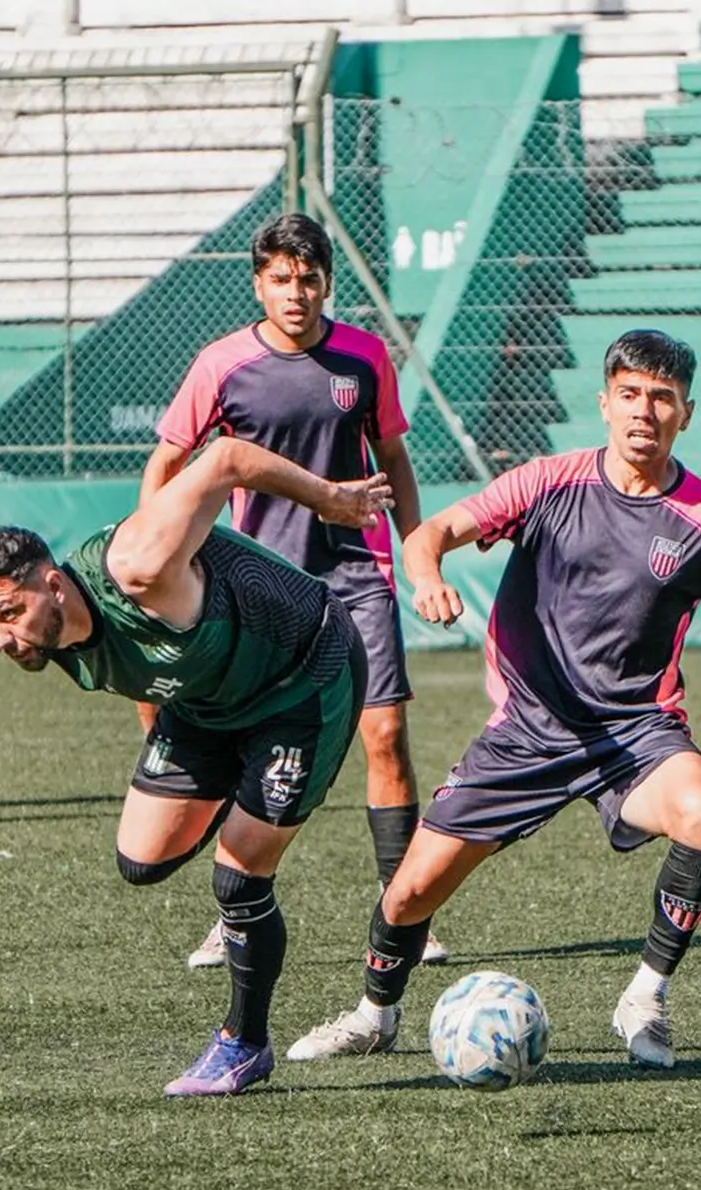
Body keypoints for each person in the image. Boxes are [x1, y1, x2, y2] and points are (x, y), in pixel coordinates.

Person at [285, 328, 701, 1068]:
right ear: (605, 402)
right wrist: (426, 577)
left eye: (662, 399)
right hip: (526, 732)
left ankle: (646, 993)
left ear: (686, 414)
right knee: (409, 895)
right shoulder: (549, 481)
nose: (645, 411)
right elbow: (436, 531)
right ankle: (374, 1015)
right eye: (632, 395)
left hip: (633, 735)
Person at [0, 436, 393, 1096]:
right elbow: (142, 673)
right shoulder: (50, 642)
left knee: (239, 878)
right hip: (205, 703)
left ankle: (244, 1045)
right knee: (142, 860)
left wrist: (332, 499)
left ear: (52, 583)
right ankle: (249, 799)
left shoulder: (137, 562)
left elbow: (224, 459)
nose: (4, 640)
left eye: (10, 615)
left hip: (303, 676)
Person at [139, 211, 449, 970]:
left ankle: (405, 911)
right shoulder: (220, 365)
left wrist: (416, 558)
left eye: (310, 279)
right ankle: (231, 912)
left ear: (326, 283)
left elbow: (396, 460)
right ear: (259, 284)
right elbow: (168, 465)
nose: (297, 293)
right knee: (240, 748)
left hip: (356, 573)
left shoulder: (365, 357)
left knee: (385, 738)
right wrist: (156, 555)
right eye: (281, 279)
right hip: (255, 586)